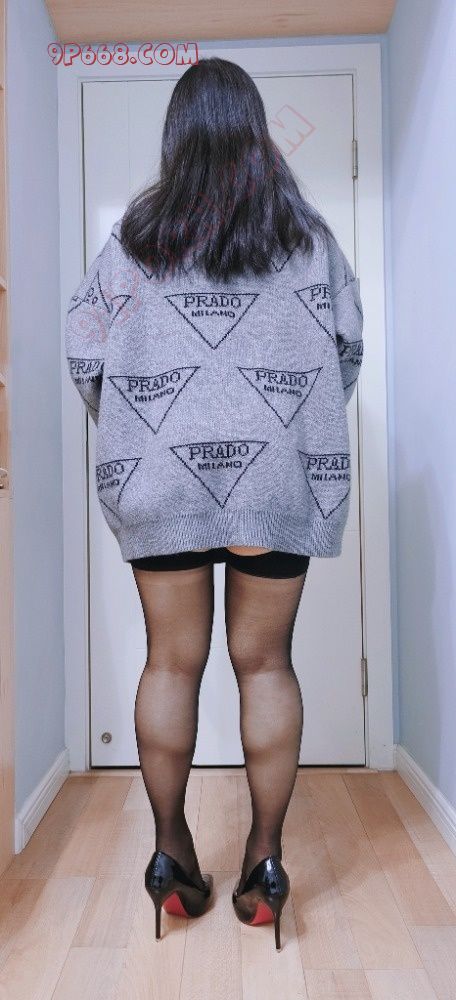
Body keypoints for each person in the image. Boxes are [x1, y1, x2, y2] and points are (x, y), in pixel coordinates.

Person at [65, 56, 364, 952]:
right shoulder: (305, 236)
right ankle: (266, 863)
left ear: (178, 136)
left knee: (170, 663)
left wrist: (143, 426)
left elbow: (85, 354)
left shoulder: (133, 240)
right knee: (265, 665)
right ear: (255, 132)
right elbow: (347, 347)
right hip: (277, 476)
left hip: (159, 479)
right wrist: (286, 424)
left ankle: (170, 855)